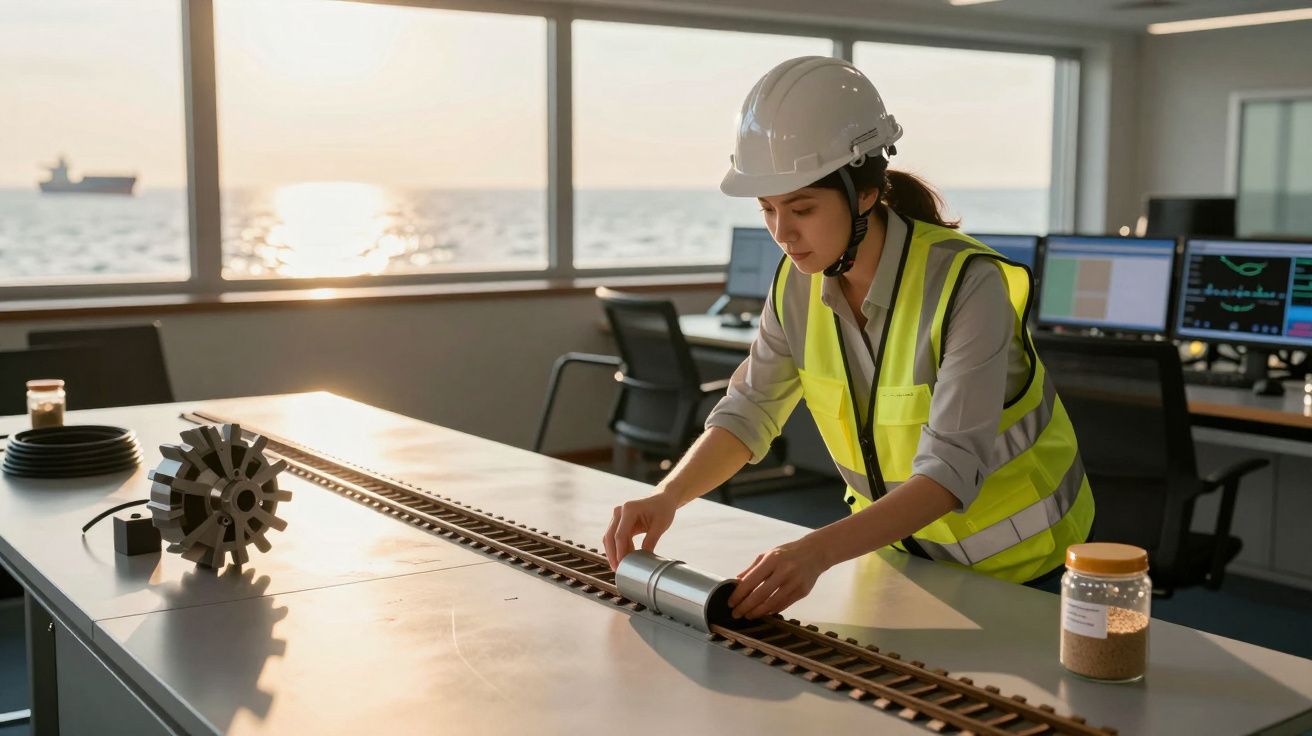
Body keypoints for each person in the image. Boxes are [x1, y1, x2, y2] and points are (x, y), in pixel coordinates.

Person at [602, 56, 1093, 621]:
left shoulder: (967, 285)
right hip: (898, 557)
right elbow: (749, 412)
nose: (783, 234)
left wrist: (816, 551)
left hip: (1021, 572)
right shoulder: (797, 284)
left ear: (864, 193)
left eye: (803, 208)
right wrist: (668, 496)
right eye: (768, 210)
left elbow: (949, 471)